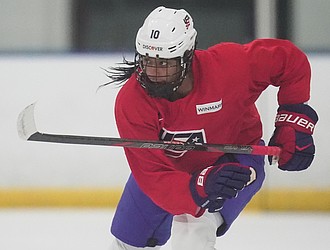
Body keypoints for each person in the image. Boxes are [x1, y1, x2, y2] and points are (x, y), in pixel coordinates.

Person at [104, 6, 318, 250]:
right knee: (125, 243)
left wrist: (293, 120)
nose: (153, 72)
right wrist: (198, 186)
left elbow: (289, 59)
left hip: (234, 161)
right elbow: (152, 174)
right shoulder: (132, 100)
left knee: (194, 233)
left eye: (165, 64)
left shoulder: (229, 67)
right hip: (168, 172)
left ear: (187, 55)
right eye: (147, 61)